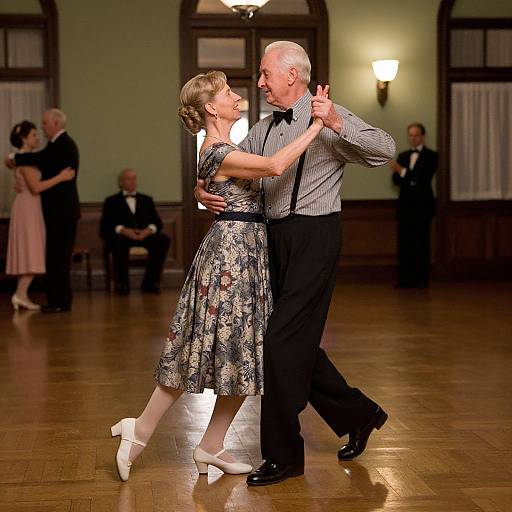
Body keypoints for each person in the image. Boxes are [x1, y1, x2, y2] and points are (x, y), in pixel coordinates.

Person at [196, 41, 396, 486]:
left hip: (315, 237)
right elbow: (226, 165)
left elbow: (384, 149)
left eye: (265, 74)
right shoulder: (264, 129)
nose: (260, 82)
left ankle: (285, 456)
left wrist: (337, 122)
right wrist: (199, 191)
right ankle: (360, 414)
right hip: (270, 240)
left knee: (280, 343)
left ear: (292, 75)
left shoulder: (327, 115)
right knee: (296, 343)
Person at [110, 71, 326, 482]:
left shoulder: (225, 147)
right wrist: (318, 124)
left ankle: (210, 446)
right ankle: (139, 429)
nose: (236, 95)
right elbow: (276, 165)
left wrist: (198, 189)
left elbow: (216, 177)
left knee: (248, 354)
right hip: (230, 256)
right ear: (211, 106)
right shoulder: (214, 149)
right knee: (200, 347)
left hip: (247, 250)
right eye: (228, 92)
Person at [5, 109, 80, 313]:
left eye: (44, 124)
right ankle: (52, 300)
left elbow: (42, 160)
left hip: (61, 212)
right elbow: (40, 165)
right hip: (42, 210)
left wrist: (13, 159)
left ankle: (59, 302)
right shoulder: (52, 147)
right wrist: (14, 159)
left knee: (58, 258)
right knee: (52, 257)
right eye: (34, 132)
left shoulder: (63, 144)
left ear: (55, 123)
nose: (42, 128)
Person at [100, 169, 171, 294]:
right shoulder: (111, 201)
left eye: (134, 178)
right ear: (121, 182)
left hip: (144, 236)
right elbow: (105, 226)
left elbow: (157, 223)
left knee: (163, 240)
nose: (132, 181)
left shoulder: (146, 199)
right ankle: (122, 284)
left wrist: (148, 231)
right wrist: (123, 230)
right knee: (117, 241)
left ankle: (150, 283)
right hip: (123, 237)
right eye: (128, 178)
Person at [390, 123, 437, 288]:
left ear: (423, 136)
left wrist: (402, 172)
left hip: (423, 208)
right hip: (405, 208)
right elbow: (395, 181)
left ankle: (422, 280)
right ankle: (405, 280)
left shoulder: (431, 156)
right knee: (405, 244)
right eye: (410, 135)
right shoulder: (402, 156)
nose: (413, 138)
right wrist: (404, 175)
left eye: (416, 135)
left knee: (422, 244)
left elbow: (422, 180)